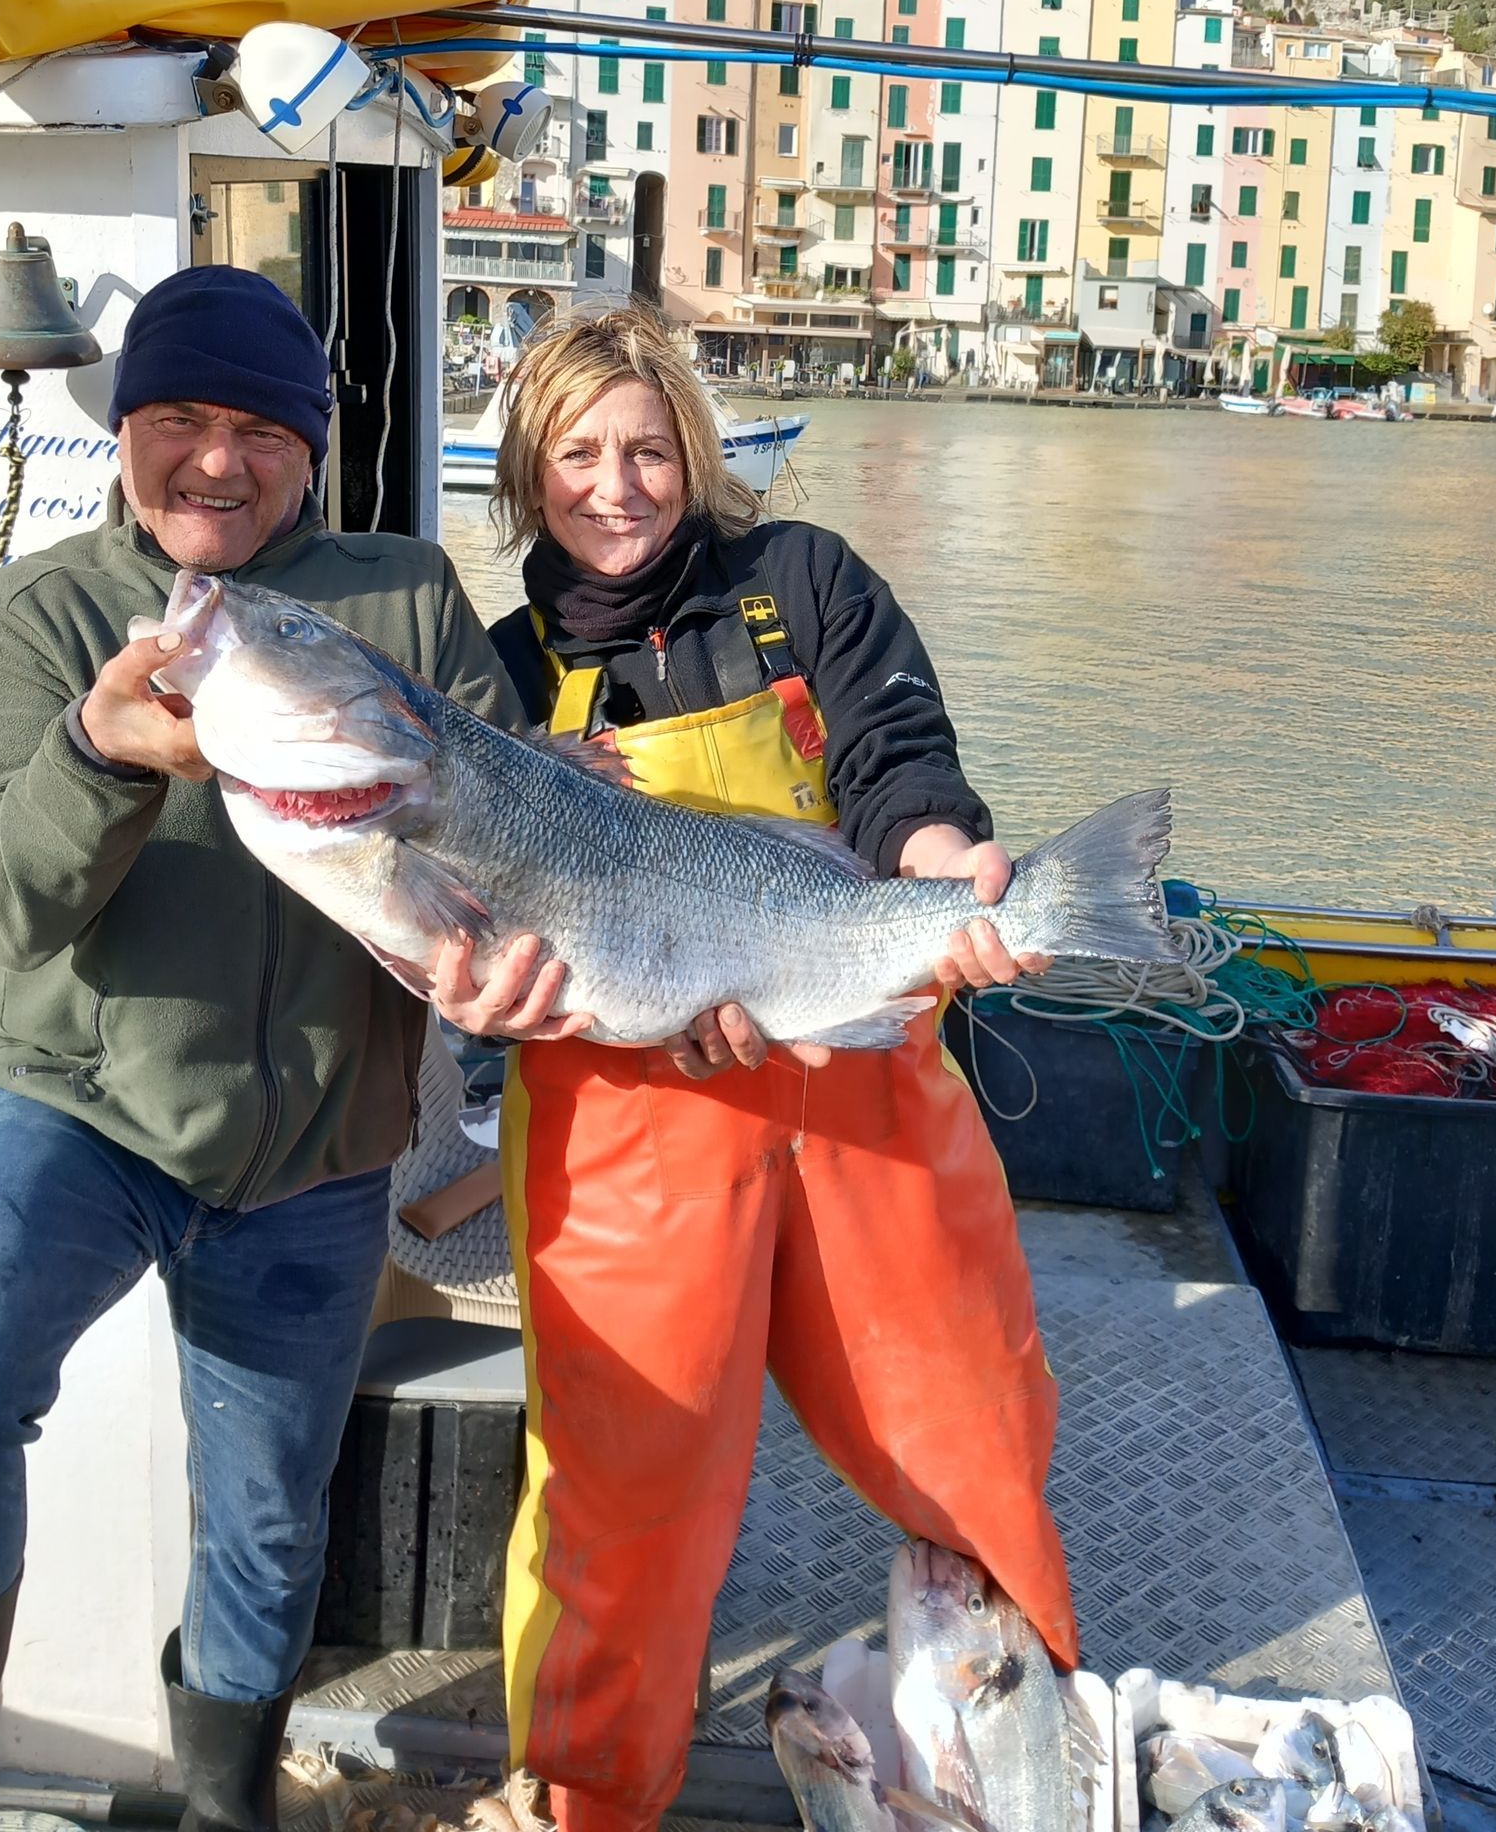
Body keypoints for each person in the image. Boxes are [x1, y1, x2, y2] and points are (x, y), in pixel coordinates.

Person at [0, 266, 525, 1832]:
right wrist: (98, 752)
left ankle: (227, 1809)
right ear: (127, 423)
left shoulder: (409, 593)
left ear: (311, 450)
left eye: (262, 430)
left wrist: (503, 967)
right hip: (78, 1118)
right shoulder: (30, 616)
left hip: (320, 1151)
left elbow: (505, 824)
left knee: (268, 1525)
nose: (219, 459)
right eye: (182, 419)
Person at [433, 305, 1078, 1832]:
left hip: (861, 1074)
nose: (616, 485)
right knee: (624, 1497)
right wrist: (495, 1004)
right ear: (527, 475)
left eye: (648, 450)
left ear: (697, 455)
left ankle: (1019, 1777)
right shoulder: (502, 683)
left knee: (972, 1439)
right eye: (577, 454)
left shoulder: (807, 581)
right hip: (623, 1126)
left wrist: (944, 867)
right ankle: (588, 1802)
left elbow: (896, 768)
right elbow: (476, 931)